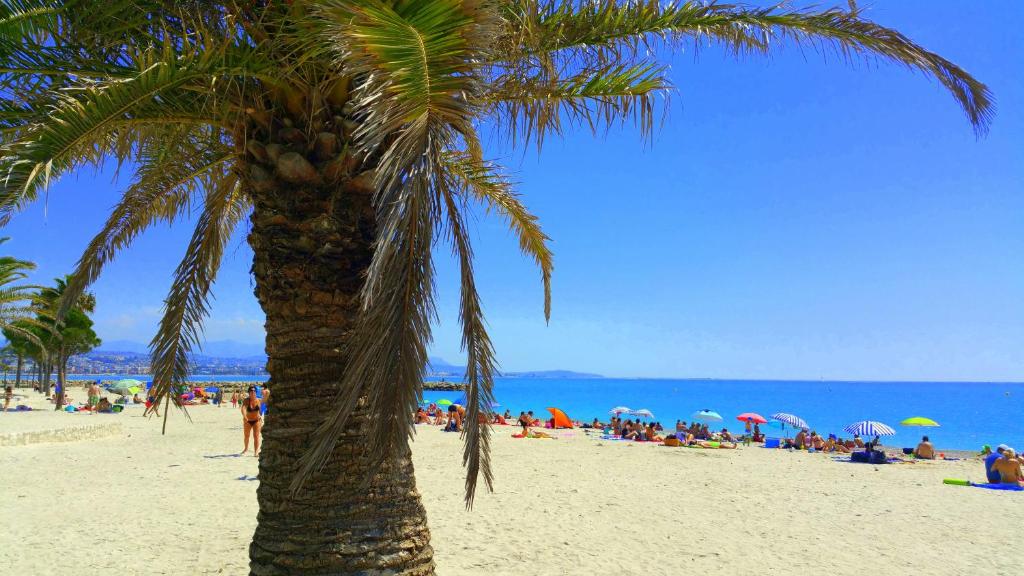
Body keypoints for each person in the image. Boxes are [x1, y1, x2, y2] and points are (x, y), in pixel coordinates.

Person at [240, 386, 262, 457]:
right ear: (249, 393)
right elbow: (243, 409)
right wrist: (245, 416)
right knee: (246, 436)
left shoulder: (258, 400)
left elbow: (260, 410)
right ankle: (246, 448)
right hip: (247, 420)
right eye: (251, 391)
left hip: (256, 420)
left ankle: (256, 452)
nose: (253, 392)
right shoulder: (246, 400)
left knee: (256, 436)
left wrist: (260, 416)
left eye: (254, 391)